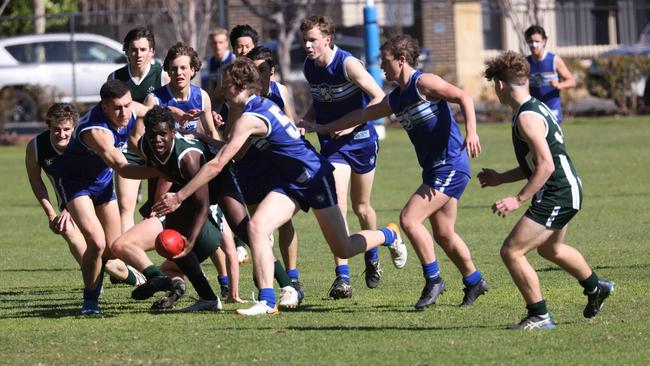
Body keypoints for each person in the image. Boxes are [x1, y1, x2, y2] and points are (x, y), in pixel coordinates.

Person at [152, 58, 407, 316]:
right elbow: (236, 154)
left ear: (238, 85)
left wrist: (180, 196)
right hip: (291, 181)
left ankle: (389, 235)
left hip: (314, 177)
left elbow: (218, 165)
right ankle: (266, 300)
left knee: (344, 247)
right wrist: (204, 137)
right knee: (256, 227)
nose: (220, 91)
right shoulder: (256, 108)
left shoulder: (250, 117)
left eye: (224, 85)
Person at [302, 34, 488, 309]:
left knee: (409, 219)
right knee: (444, 232)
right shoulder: (397, 98)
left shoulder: (422, 83)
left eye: (385, 62)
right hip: (434, 170)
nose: (381, 68)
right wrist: (323, 127)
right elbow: (362, 115)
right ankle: (474, 281)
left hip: (450, 164)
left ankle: (433, 279)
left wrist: (471, 131)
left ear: (401, 60)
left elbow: (463, 96)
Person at [482, 50, 613, 330]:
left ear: (501, 86)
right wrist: (500, 178)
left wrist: (518, 199)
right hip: (565, 189)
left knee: (511, 252)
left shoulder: (526, 118)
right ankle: (596, 287)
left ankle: (539, 315)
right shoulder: (535, 107)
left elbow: (545, 165)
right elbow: (536, 163)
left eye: (495, 85)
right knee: (551, 249)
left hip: (557, 192)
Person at [111, 106, 240, 311]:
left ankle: (281, 287)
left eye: (163, 134)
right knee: (133, 248)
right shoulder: (147, 144)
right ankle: (179, 287)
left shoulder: (187, 157)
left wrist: (176, 202)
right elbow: (161, 172)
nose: (157, 139)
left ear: (173, 132)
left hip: (205, 219)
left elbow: (202, 204)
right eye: (152, 134)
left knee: (249, 233)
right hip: (184, 212)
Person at [52, 80, 159, 315]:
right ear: (104, 107)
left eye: (127, 105)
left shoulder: (131, 110)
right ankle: (90, 302)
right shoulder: (96, 132)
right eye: (117, 108)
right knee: (97, 243)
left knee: (112, 248)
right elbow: (122, 168)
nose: (124, 113)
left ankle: (135, 277)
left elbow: (156, 113)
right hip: (75, 184)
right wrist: (163, 171)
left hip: (101, 184)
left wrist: (180, 118)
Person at [300, 15, 385, 299]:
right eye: (305, 41)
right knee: (338, 205)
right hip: (333, 147)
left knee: (362, 208)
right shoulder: (309, 67)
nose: (308, 46)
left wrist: (351, 124)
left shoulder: (348, 64)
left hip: (361, 141)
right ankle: (343, 278)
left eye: (313, 40)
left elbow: (379, 97)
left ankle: (372, 256)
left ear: (327, 40)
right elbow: (319, 99)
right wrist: (305, 122)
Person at [25, 103, 144, 287]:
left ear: (73, 127)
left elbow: (97, 175)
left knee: (109, 255)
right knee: (73, 235)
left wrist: (71, 207)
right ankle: (94, 286)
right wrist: (51, 214)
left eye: (66, 129)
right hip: (68, 204)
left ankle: (132, 275)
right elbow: (35, 180)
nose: (62, 134)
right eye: (56, 129)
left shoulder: (84, 142)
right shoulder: (36, 147)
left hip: (99, 198)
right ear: (48, 126)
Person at [109, 27, 170, 232]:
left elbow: (170, 111)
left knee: (160, 209)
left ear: (152, 51)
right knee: (126, 205)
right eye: (134, 50)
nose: (138, 54)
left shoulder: (163, 75)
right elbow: (108, 113)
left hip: (158, 148)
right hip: (128, 148)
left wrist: (140, 109)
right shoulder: (115, 78)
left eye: (143, 49)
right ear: (126, 51)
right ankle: (129, 260)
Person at [145, 42, 218, 139]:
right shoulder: (154, 100)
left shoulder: (202, 97)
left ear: (192, 70)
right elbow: (144, 136)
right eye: (174, 69)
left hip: (194, 150)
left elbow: (211, 132)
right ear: (168, 71)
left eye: (183, 68)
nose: (179, 73)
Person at [524, 25, 575, 125]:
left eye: (537, 41)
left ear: (544, 41)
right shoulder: (526, 62)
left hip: (552, 109)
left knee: (552, 140)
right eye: (530, 41)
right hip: (534, 110)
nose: (534, 45)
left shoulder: (554, 60)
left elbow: (572, 81)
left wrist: (559, 85)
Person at [203, 27, 236, 94]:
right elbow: (211, 87)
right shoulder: (210, 62)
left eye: (220, 42)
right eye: (215, 43)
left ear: (226, 43)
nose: (217, 46)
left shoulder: (233, 59)